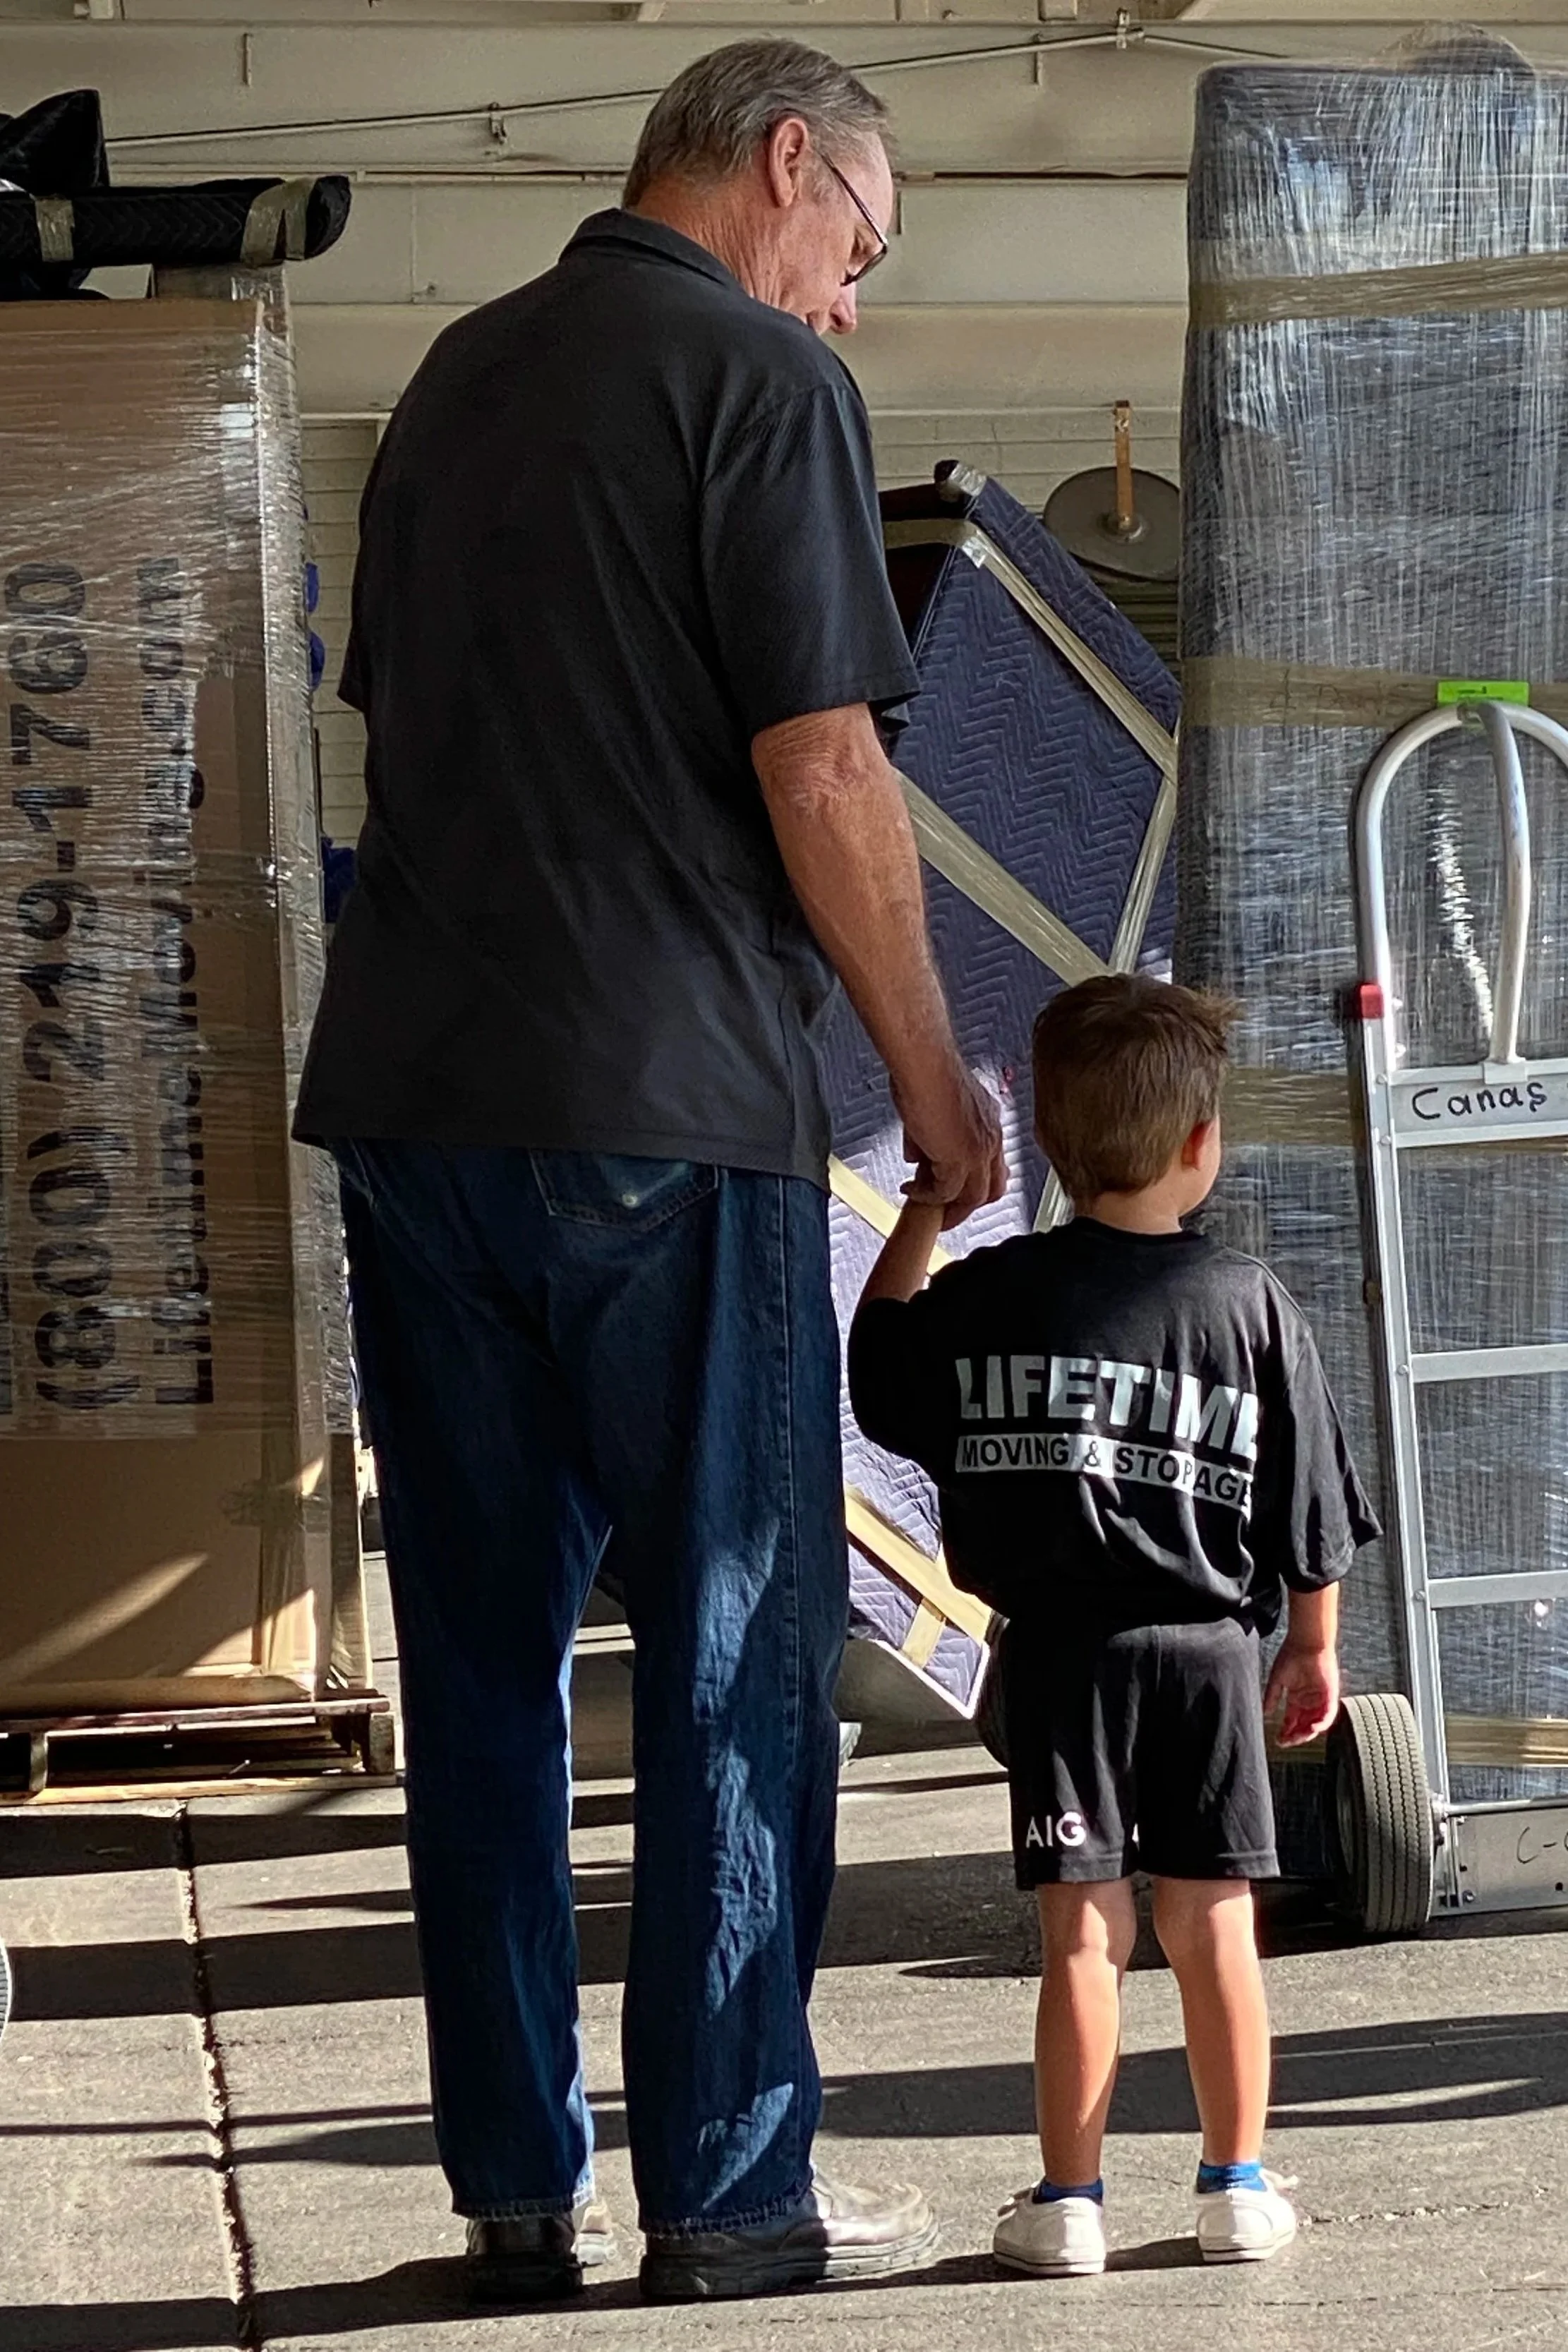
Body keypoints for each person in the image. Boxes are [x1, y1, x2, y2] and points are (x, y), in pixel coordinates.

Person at [294, 35, 1006, 2311]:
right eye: (858, 245)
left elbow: (404, 726)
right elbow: (818, 764)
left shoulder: (448, 386)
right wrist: (935, 1073)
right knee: (725, 1654)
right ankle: (726, 2190)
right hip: (664, 1115)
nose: (852, 303)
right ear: (781, 167)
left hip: (416, 1110)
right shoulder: (759, 390)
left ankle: (515, 2186)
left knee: (487, 1666)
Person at [848, 974, 1378, 2277]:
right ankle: (1234, 2185)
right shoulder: (1251, 1305)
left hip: (1060, 1659)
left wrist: (925, 1209)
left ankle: (1068, 2200)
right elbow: (1309, 1504)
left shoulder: (992, 1298)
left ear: (1050, 1146)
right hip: (1207, 1651)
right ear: (1203, 1145)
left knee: (1081, 1929)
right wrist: (1311, 1646)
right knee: (1214, 1921)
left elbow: (879, 1373)